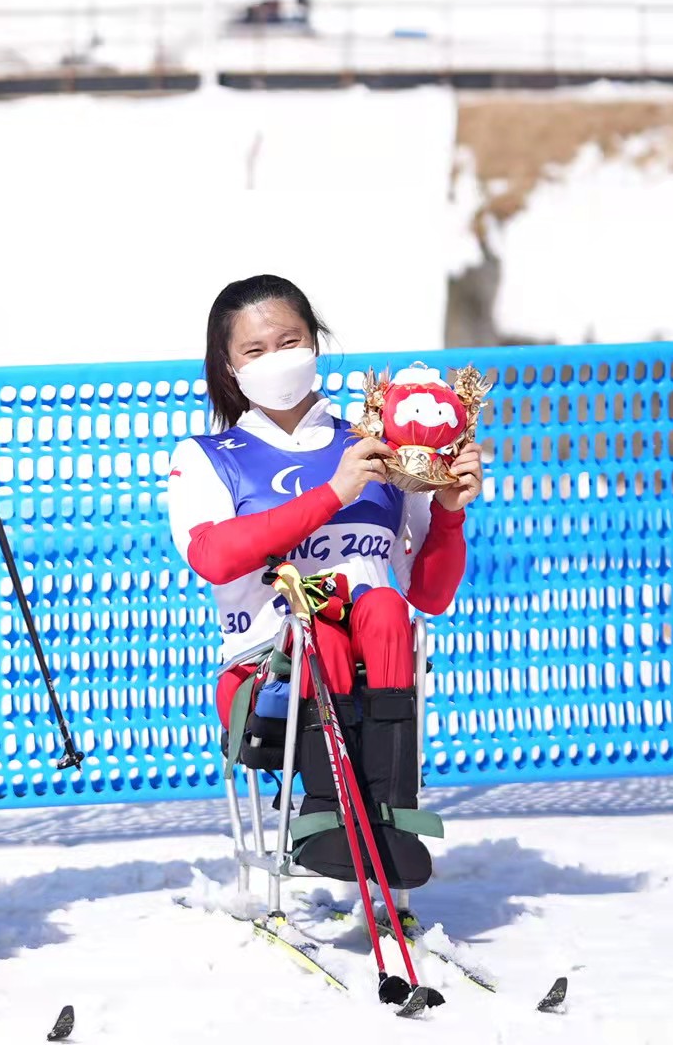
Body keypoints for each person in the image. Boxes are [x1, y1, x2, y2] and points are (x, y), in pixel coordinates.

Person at [164, 274, 482, 889]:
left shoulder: (381, 446)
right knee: (319, 629)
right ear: (230, 369)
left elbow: (431, 595)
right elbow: (214, 556)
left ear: (315, 344)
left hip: (379, 659)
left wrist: (449, 509)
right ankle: (326, 812)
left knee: (387, 604)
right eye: (255, 351)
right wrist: (332, 493)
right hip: (267, 675)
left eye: (291, 341)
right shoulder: (207, 454)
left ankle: (390, 817)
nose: (277, 359)